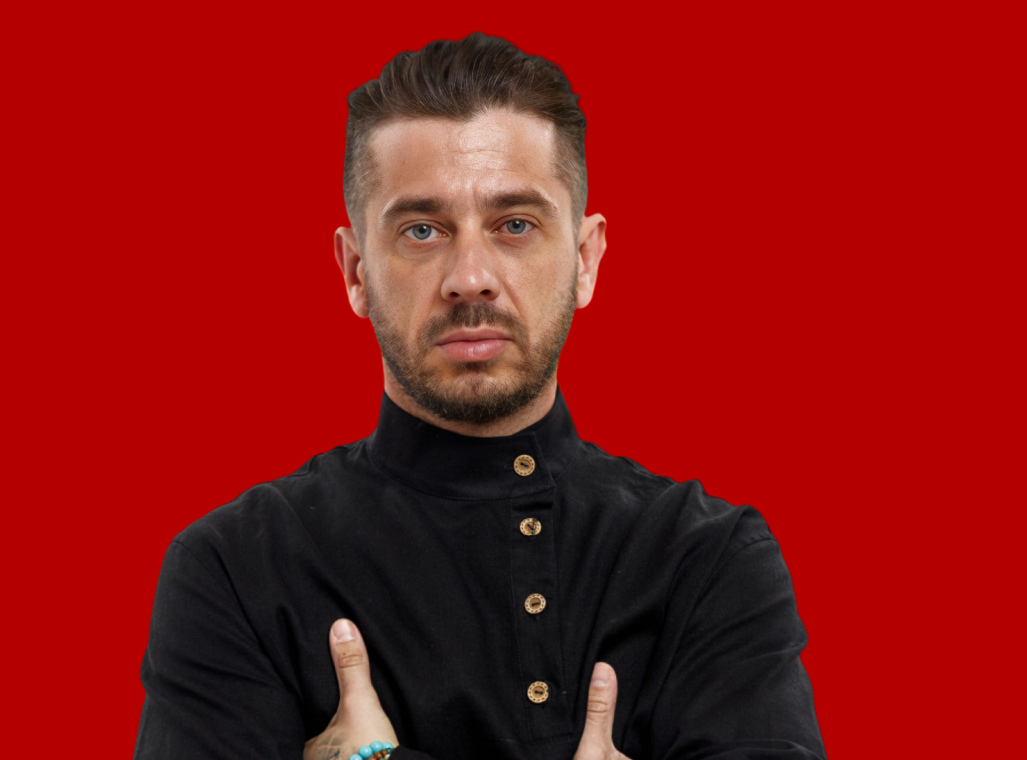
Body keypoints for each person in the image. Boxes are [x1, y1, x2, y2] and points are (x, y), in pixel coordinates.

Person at [133, 33, 825, 760]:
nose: (470, 278)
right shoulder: (235, 570)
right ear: (356, 271)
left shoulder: (708, 560)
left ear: (585, 260)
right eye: (422, 230)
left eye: (515, 225)